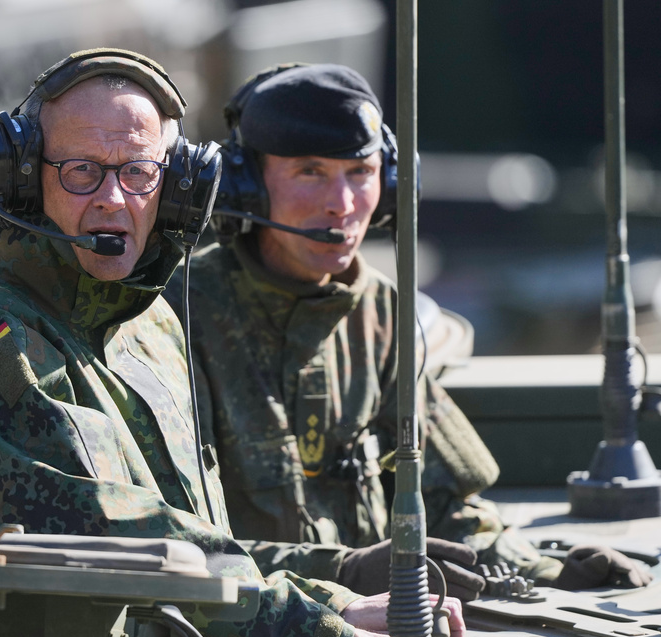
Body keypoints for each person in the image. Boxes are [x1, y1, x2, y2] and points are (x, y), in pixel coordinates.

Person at [0, 49, 463, 637]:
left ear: (177, 189)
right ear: (24, 178)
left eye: (139, 172)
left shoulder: (151, 325)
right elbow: (112, 536)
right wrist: (317, 628)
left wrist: (337, 595)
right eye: (82, 171)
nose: (115, 200)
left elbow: (200, 539)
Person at [165, 62, 652, 596]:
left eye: (362, 172)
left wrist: (550, 571)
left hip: (389, 628)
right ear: (245, 184)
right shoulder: (179, 317)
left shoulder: (381, 312)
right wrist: (343, 572)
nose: (343, 204)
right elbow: (179, 546)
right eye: (310, 172)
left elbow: (444, 504)